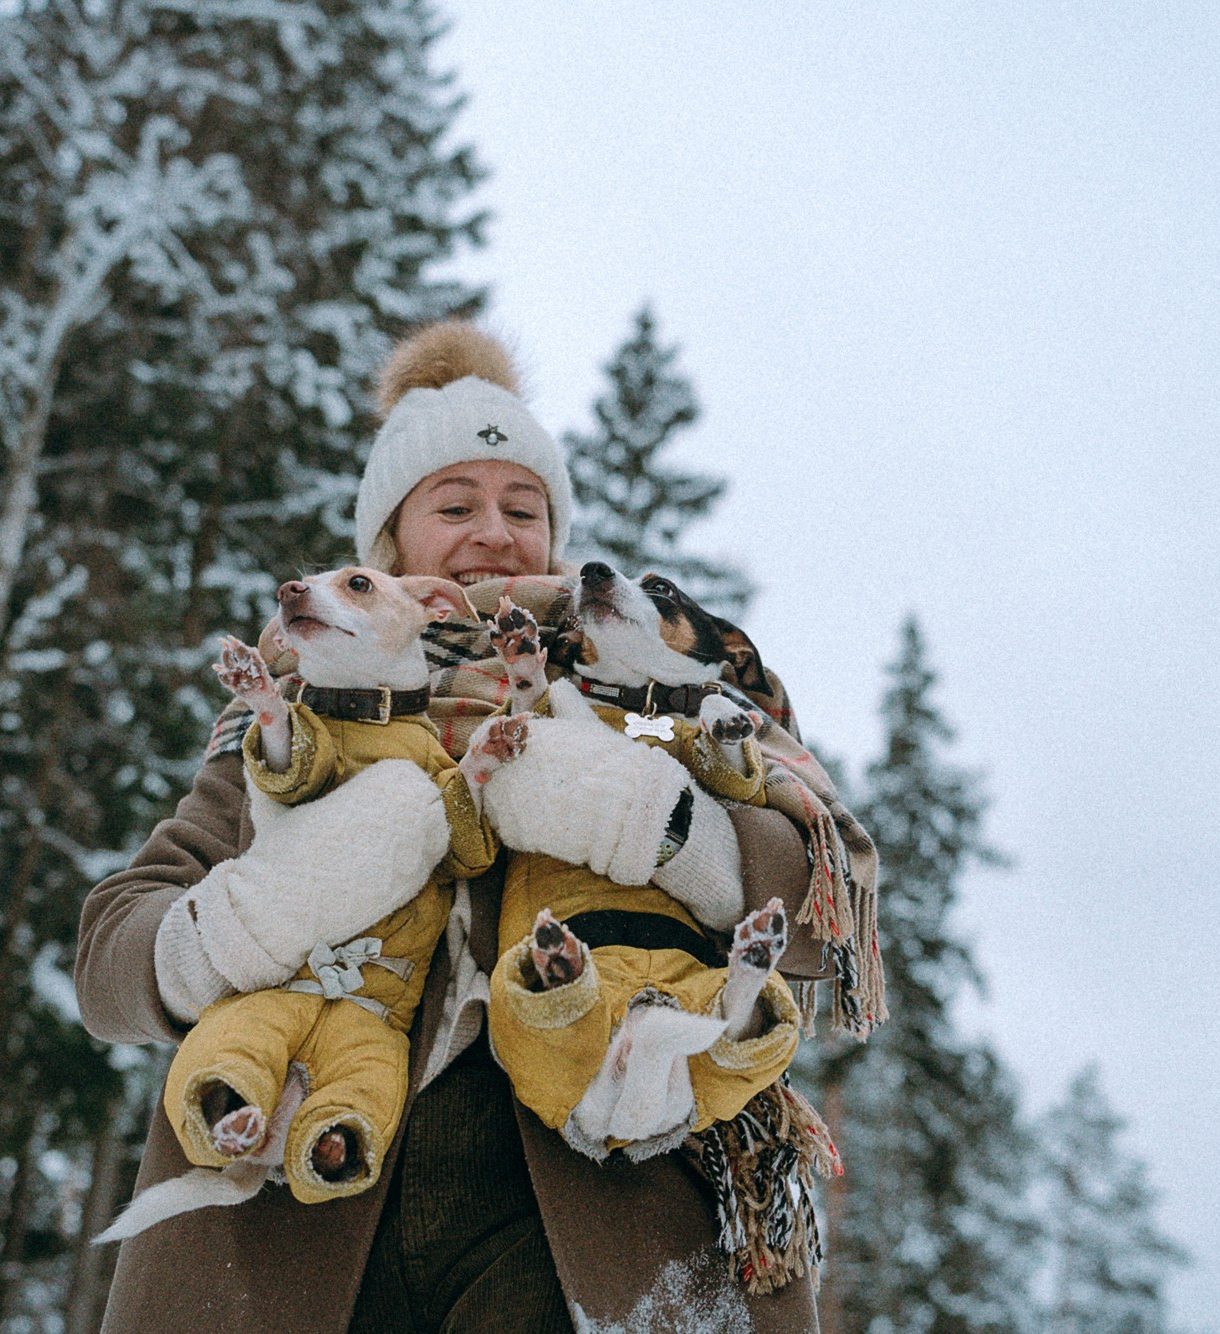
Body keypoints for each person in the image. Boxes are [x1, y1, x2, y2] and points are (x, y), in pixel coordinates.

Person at [76, 324, 834, 1333]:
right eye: (454, 504)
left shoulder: (632, 694)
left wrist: (666, 826)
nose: (494, 531)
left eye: (522, 507)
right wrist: (237, 924)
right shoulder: (303, 714)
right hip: (293, 1195)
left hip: (587, 1201)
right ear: (387, 546)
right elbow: (108, 958)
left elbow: (809, 899)